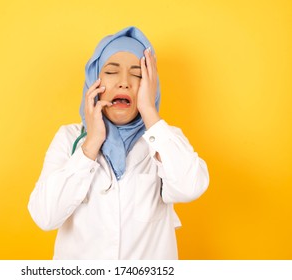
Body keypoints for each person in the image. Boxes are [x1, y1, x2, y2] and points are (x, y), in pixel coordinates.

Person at [28, 26, 209, 259]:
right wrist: (91, 144)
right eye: (112, 72)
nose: (124, 82)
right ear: (94, 81)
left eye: (138, 74)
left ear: (150, 85)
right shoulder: (69, 139)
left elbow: (190, 187)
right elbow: (45, 216)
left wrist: (149, 111)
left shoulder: (163, 139)